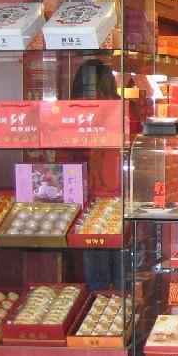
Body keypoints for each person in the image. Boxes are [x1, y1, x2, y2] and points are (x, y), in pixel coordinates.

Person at [71, 59, 122, 292]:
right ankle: (120, 304)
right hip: (118, 194)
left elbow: (74, 155)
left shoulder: (74, 112)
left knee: (95, 260)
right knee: (121, 257)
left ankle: (96, 303)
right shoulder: (121, 110)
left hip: (90, 195)